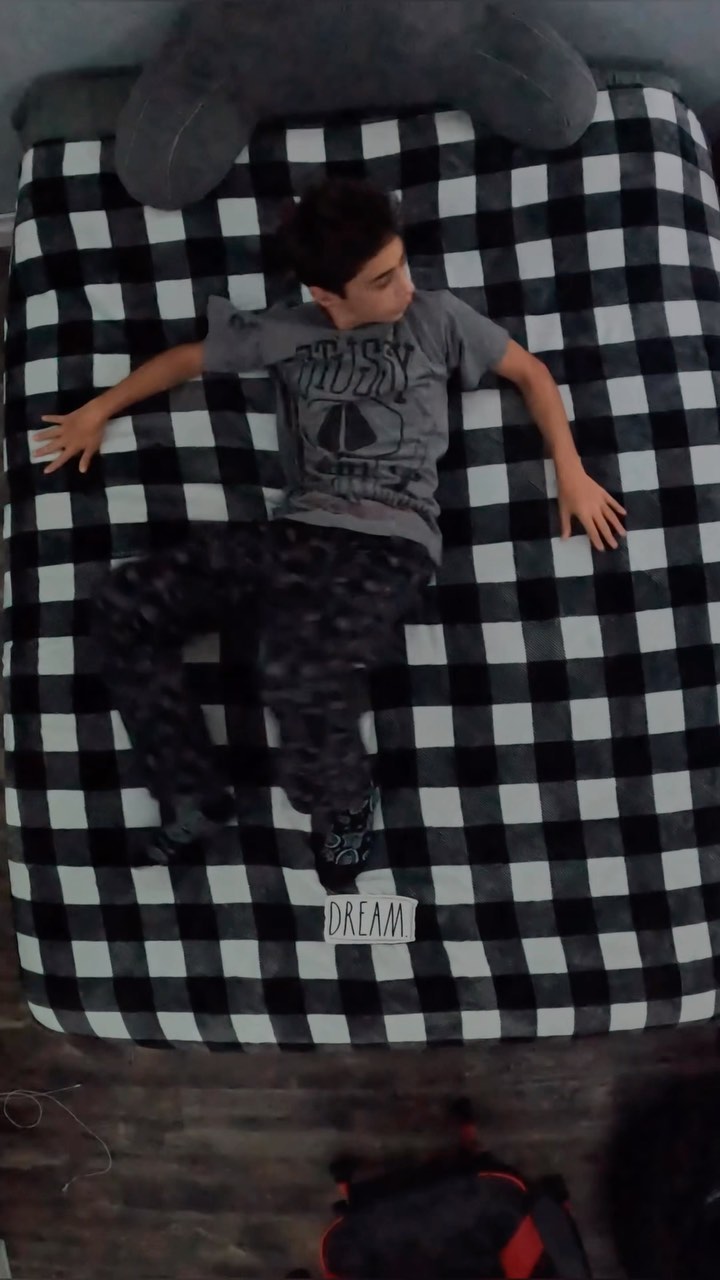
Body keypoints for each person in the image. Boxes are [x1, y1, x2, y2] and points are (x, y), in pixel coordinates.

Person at [32, 177, 626, 888]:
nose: (405, 287)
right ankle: (193, 790)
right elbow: (189, 358)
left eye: (401, 265)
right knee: (123, 603)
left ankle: (344, 802)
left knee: (298, 670)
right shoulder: (288, 330)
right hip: (295, 533)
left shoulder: (437, 318)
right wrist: (99, 409)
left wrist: (571, 471)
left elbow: (528, 371)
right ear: (326, 295)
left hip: (389, 545)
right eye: (381, 281)